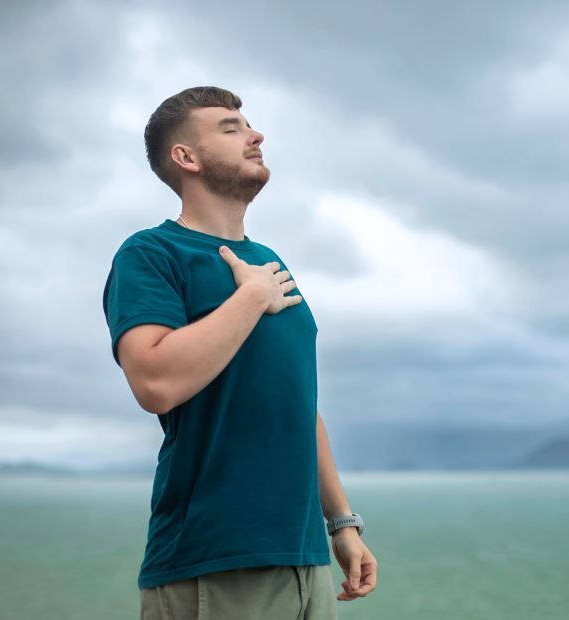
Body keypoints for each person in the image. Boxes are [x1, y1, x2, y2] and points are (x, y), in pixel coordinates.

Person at [102, 86, 378, 619]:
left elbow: (297, 400)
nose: (256, 135)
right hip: (212, 563)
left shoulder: (270, 261)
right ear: (186, 158)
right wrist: (250, 298)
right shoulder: (151, 254)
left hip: (304, 563)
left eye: (247, 124)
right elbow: (154, 383)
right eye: (230, 128)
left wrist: (341, 523)